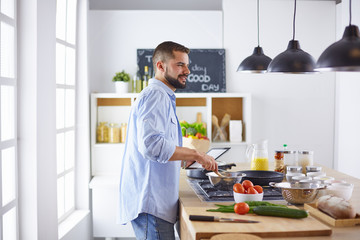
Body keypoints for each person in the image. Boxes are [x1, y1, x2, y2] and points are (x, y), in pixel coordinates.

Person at [118, 41, 218, 240]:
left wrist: (183, 158)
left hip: (156, 203)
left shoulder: (163, 96)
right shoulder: (156, 95)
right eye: (180, 64)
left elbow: (160, 144)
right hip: (152, 204)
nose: (187, 70)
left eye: (187, 65)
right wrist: (196, 154)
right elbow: (151, 145)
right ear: (161, 66)